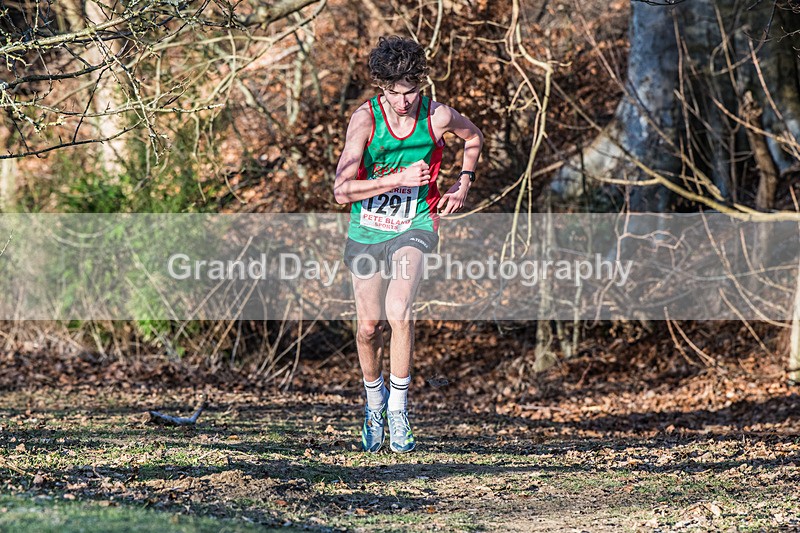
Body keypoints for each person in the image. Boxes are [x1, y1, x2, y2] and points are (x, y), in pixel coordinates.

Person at [333, 36, 484, 453]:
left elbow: (473, 138)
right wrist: (393, 180)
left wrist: (462, 183)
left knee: (399, 311)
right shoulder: (365, 120)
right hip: (367, 230)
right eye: (393, 93)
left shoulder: (437, 117)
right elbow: (341, 192)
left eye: (410, 92)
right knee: (368, 328)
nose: (403, 102)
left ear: (422, 83)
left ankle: (398, 410)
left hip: (414, 224)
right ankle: (374, 404)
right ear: (381, 88)